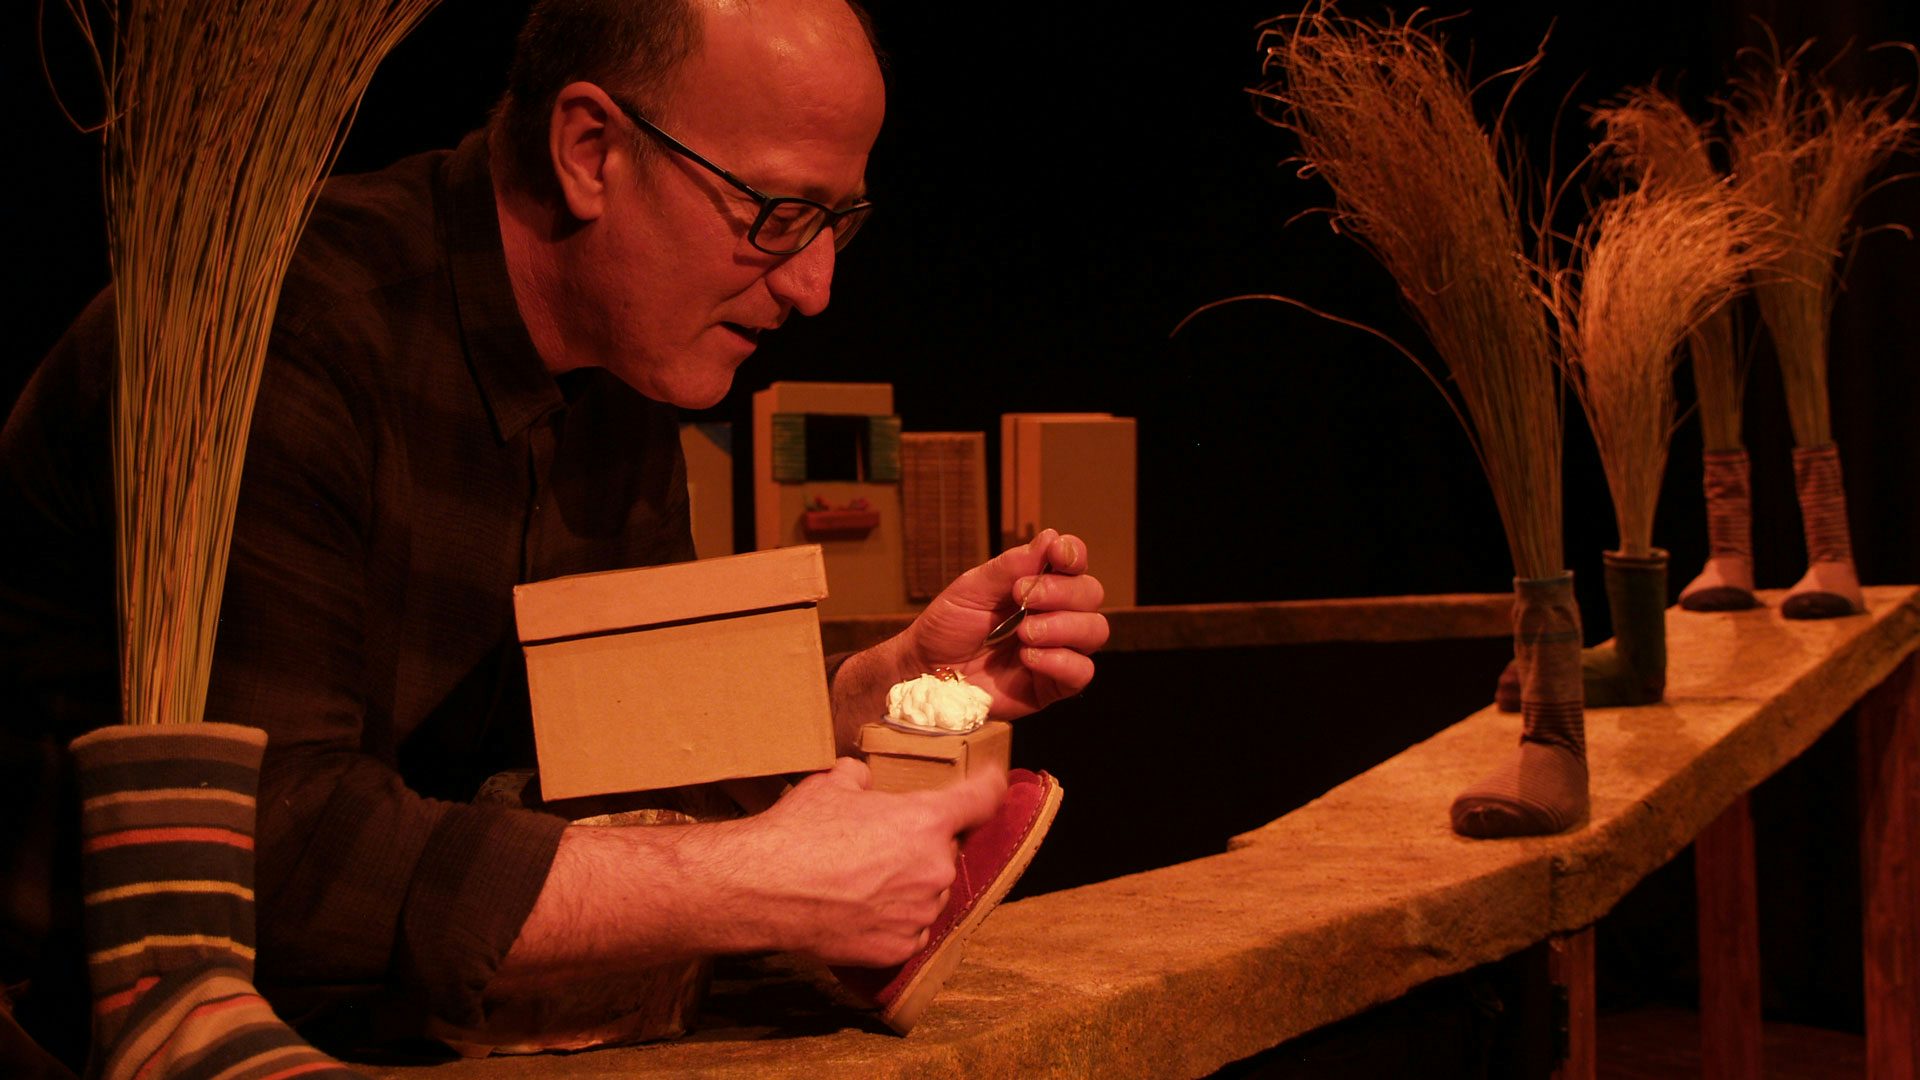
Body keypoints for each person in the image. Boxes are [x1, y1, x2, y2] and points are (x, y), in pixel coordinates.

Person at [0, 0, 1108, 1066]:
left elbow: (606, 783)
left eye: (841, 224)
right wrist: (752, 885)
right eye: (779, 212)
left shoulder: (627, 380)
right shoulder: (281, 342)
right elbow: (267, 861)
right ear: (589, 148)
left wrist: (877, 698)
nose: (816, 287)